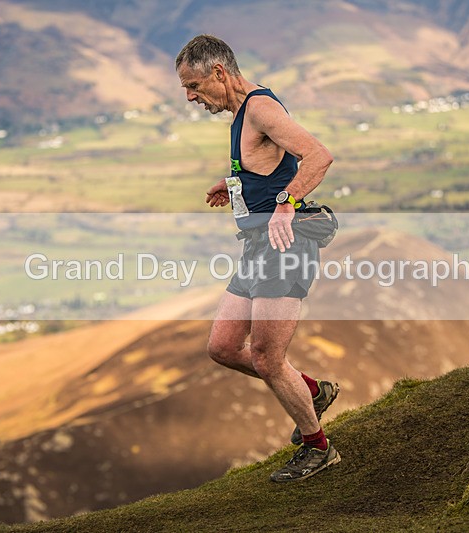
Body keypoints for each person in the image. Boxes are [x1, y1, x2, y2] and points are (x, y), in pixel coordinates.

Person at [175, 35, 341, 482]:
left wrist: (286, 202)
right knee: (224, 347)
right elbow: (271, 164)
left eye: (193, 85)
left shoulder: (261, 108)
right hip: (256, 247)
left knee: (268, 357)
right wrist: (234, 184)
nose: (191, 96)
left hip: (284, 246)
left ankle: (317, 447)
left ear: (218, 73)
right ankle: (311, 389)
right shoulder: (243, 112)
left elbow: (318, 157)